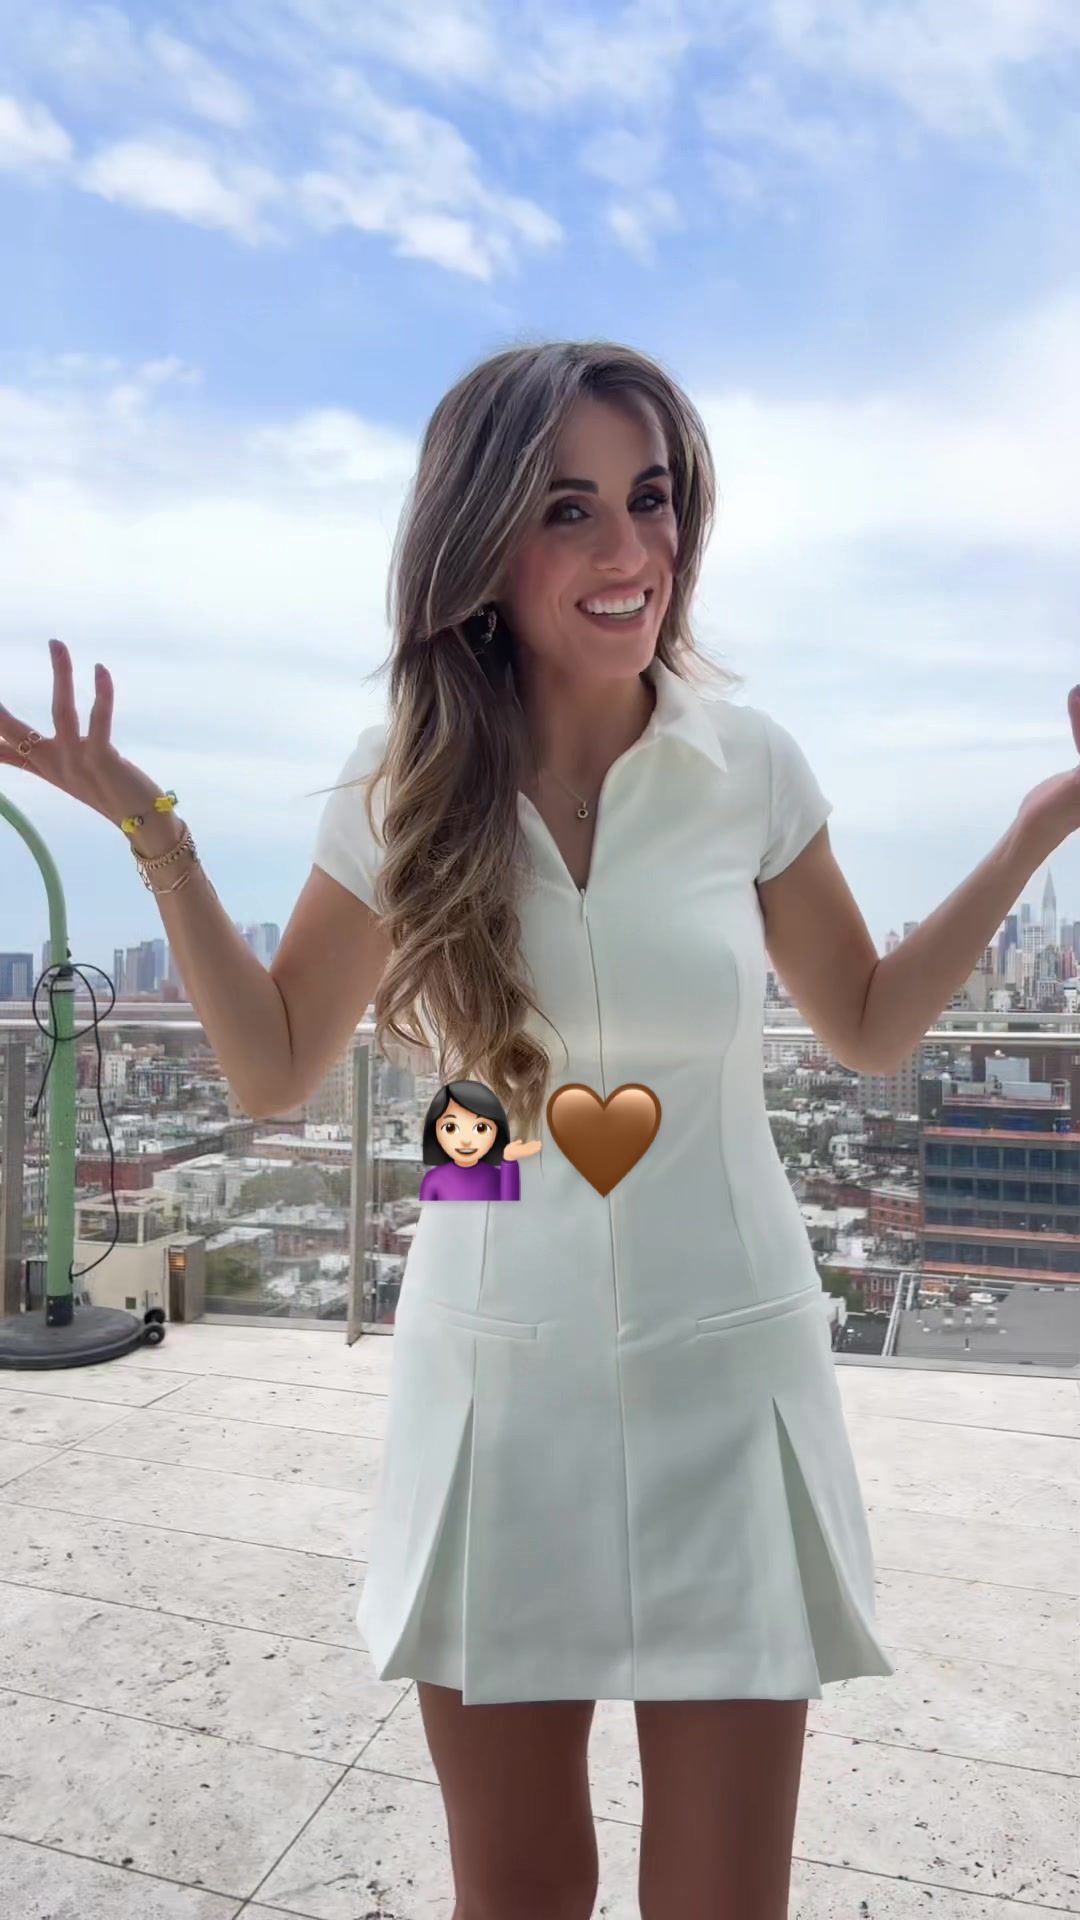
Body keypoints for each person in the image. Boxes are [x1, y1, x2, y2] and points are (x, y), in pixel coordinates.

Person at [0, 340, 895, 1920]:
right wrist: (155, 831)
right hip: (495, 1372)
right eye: (568, 509)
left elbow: (870, 1023)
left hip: (730, 1365)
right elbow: (276, 1067)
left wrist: (1042, 826)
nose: (629, 550)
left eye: (650, 498)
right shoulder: (406, 781)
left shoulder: (749, 762)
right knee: (519, 1893)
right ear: (480, 547)